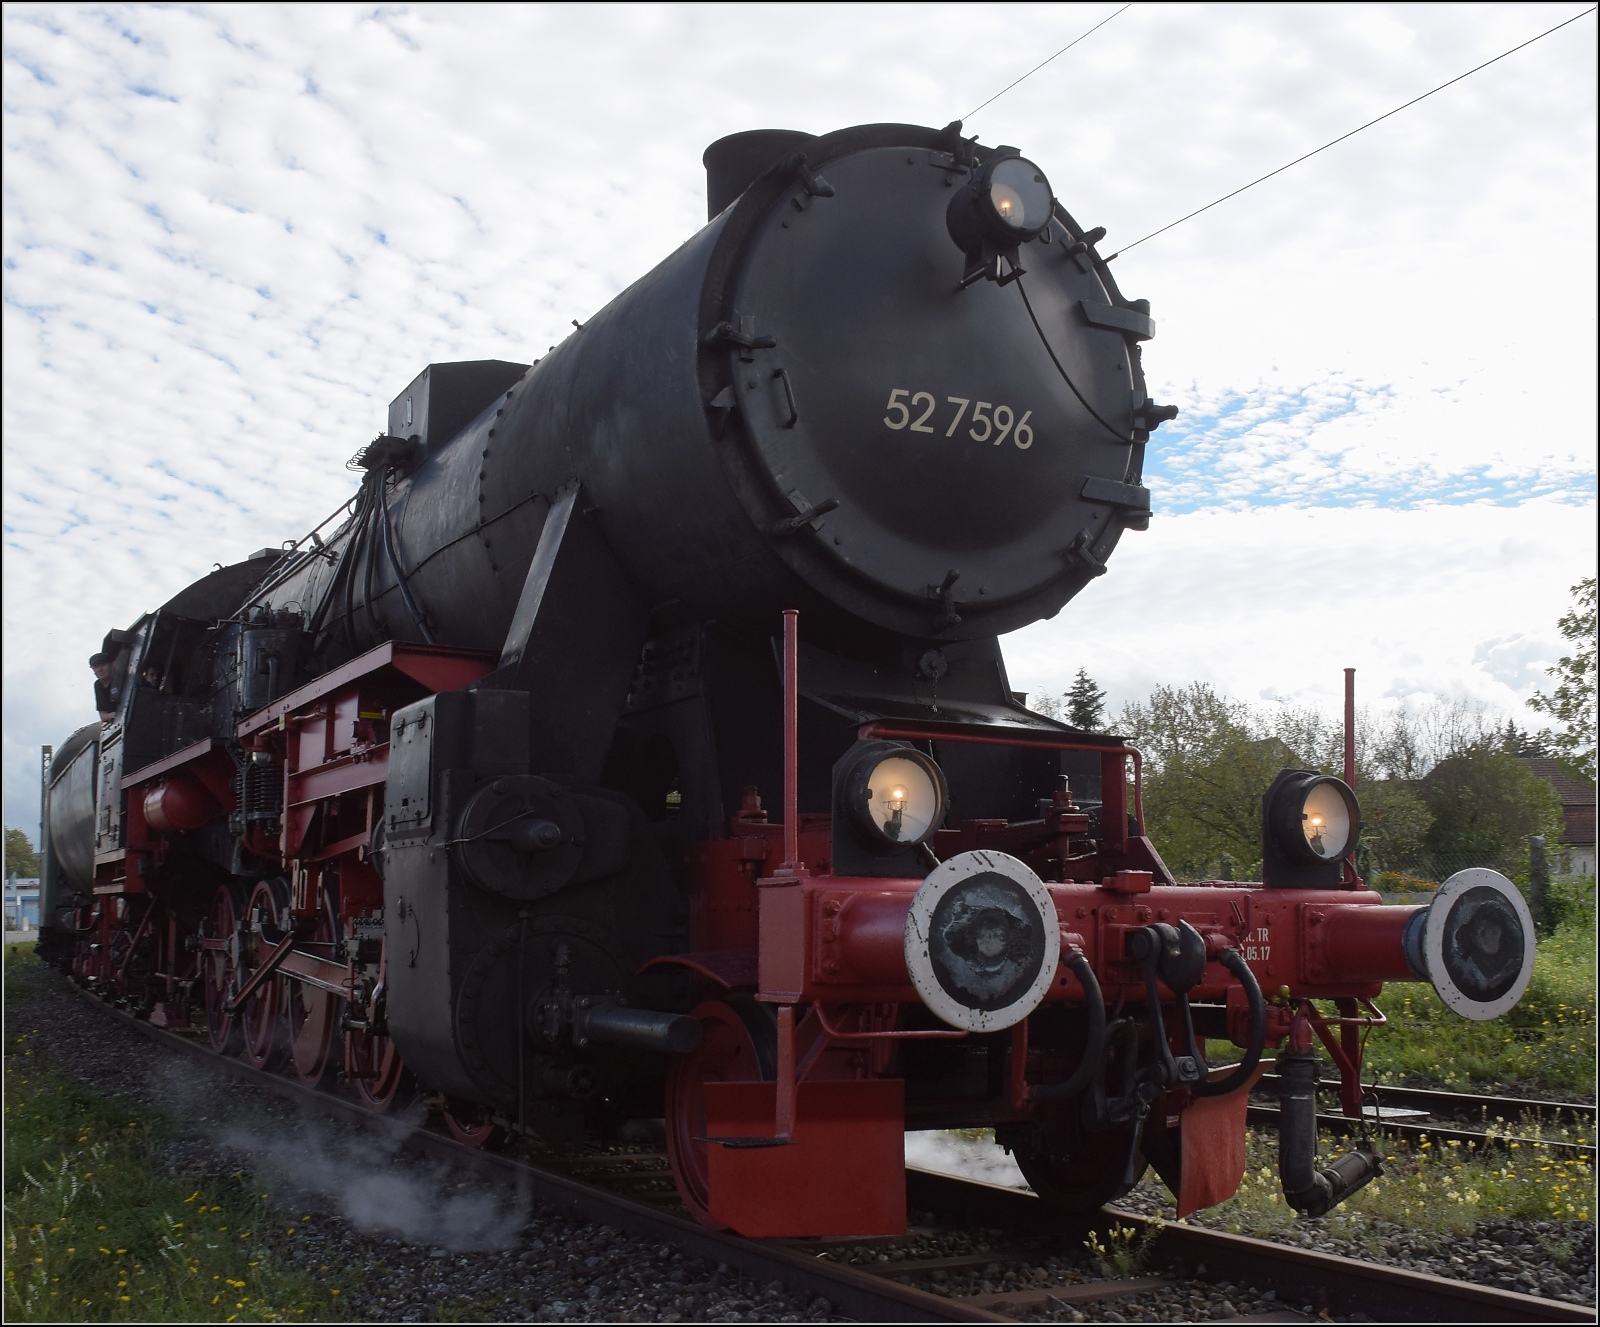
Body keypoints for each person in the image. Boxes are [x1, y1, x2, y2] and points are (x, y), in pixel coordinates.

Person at [90, 653, 120, 722]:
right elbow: (102, 715)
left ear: (112, 665)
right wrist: (111, 715)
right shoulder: (98, 685)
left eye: (103, 665)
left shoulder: (122, 679)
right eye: (96, 667)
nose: (99, 669)